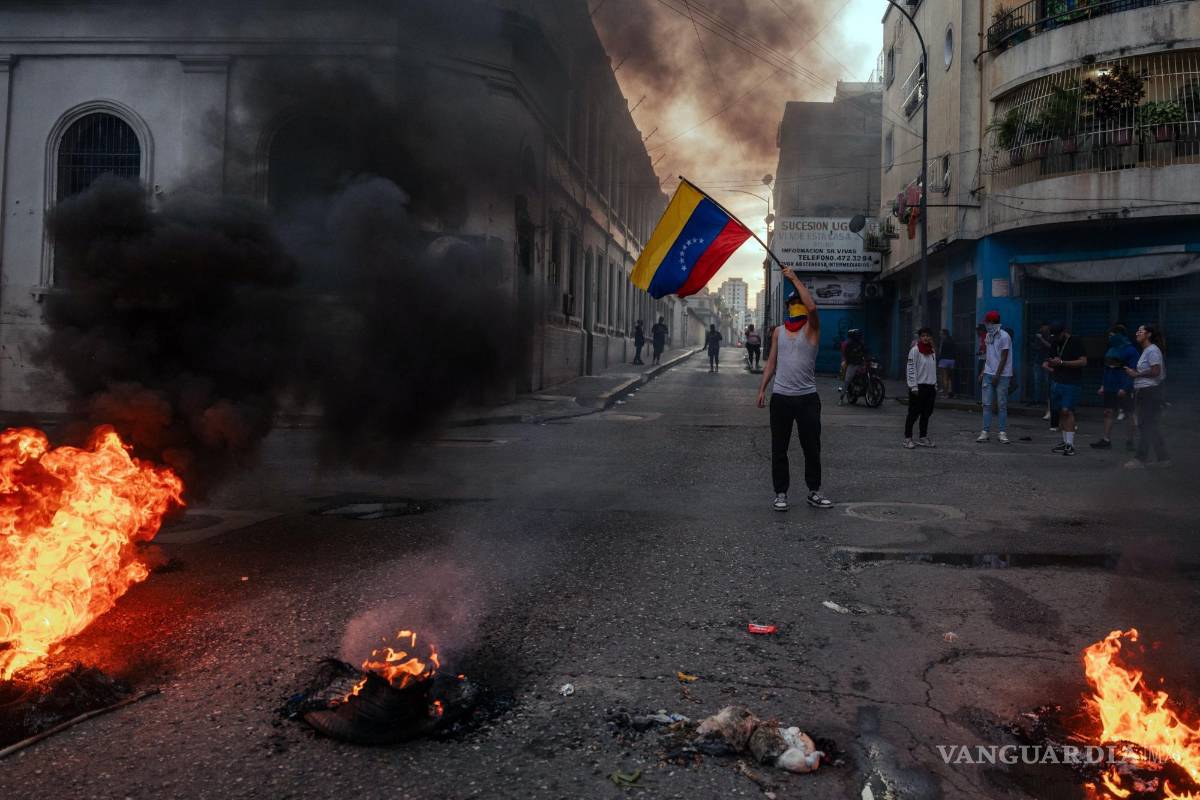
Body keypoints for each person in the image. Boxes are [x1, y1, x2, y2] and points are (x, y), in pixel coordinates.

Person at [757, 268, 833, 512]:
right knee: (779, 448)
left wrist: (795, 279)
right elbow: (771, 361)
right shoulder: (779, 331)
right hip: (781, 398)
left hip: (807, 398)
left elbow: (812, 309)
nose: (795, 306)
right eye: (792, 303)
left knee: (811, 447)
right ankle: (781, 493)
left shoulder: (812, 329)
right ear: (788, 307)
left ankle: (814, 491)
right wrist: (762, 389)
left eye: (797, 302)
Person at [1125, 323, 1168, 468]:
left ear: (1148, 334)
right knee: (1151, 425)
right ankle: (1163, 459)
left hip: (1149, 392)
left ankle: (1140, 459)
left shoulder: (1152, 350)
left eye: (1140, 331)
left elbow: (1156, 371)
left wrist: (1136, 374)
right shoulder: (1147, 351)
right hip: (1146, 392)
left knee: (1146, 425)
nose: (1137, 333)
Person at [1092, 325, 1138, 451]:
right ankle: (1106, 440)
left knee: (1129, 413)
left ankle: (1130, 441)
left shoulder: (1131, 351)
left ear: (1119, 336)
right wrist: (1103, 385)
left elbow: (1133, 371)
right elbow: (1106, 369)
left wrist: (1125, 387)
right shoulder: (1111, 350)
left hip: (1124, 388)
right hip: (1110, 387)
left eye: (1112, 336)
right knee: (1108, 412)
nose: (1110, 338)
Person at [1045, 322, 1087, 457]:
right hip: (1057, 380)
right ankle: (1065, 441)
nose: (1056, 338)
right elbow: (1048, 361)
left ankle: (1070, 444)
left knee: (1067, 410)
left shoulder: (1075, 341)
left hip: (1071, 382)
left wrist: (1062, 363)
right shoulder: (1054, 342)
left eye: (1058, 335)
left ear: (1064, 332)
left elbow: (1083, 362)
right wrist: (1049, 365)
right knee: (1059, 412)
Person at [976, 311, 1013, 444]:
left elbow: (1004, 357)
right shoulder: (988, 336)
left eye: (987, 322)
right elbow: (988, 356)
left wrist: (997, 375)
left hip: (1002, 375)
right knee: (986, 404)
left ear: (992, 322)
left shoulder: (1004, 337)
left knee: (1001, 404)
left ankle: (1002, 432)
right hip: (988, 373)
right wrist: (983, 372)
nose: (986, 325)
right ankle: (985, 431)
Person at [904, 327, 939, 449]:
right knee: (913, 413)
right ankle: (907, 438)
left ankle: (923, 437)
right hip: (918, 387)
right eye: (923, 336)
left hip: (930, 387)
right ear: (920, 337)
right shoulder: (915, 351)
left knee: (926, 414)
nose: (926, 338)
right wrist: (913, 386)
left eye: (928, 336)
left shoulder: (932, 351)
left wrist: (935, 384)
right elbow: (911, 368)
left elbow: (933, 369)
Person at [838, 329, 866, 404]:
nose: (858, 336)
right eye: (857, 335)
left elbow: (865, 351)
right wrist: (850, 360)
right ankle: (841, 398)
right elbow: (847, 355)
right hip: (853, 364)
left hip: (861, 363)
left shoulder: (861, 343)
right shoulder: (849, 344)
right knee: (847, 380)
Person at [1032, 321, 1053, 418]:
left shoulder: (1051, 336)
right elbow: (1036, 347)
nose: (1042, 329)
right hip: (1038, 361)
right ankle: (1037, 400)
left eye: (1044, 327)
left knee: (1047, 382)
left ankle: (1048, 403)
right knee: (1037, 382)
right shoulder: (1038, 336)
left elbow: (1050, 346)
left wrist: (1041, 339)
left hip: (1048, 362)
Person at [937, 328, 956, 398]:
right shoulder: (952, 340)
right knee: (950, 377)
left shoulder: (943, 341)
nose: (940, 335)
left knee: (944, 377)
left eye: (941, 334)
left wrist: (939, 358)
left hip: (944, 360)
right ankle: (951, 393)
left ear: (944, 334)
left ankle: (945, 394)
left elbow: (940, 352)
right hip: (952, 360)